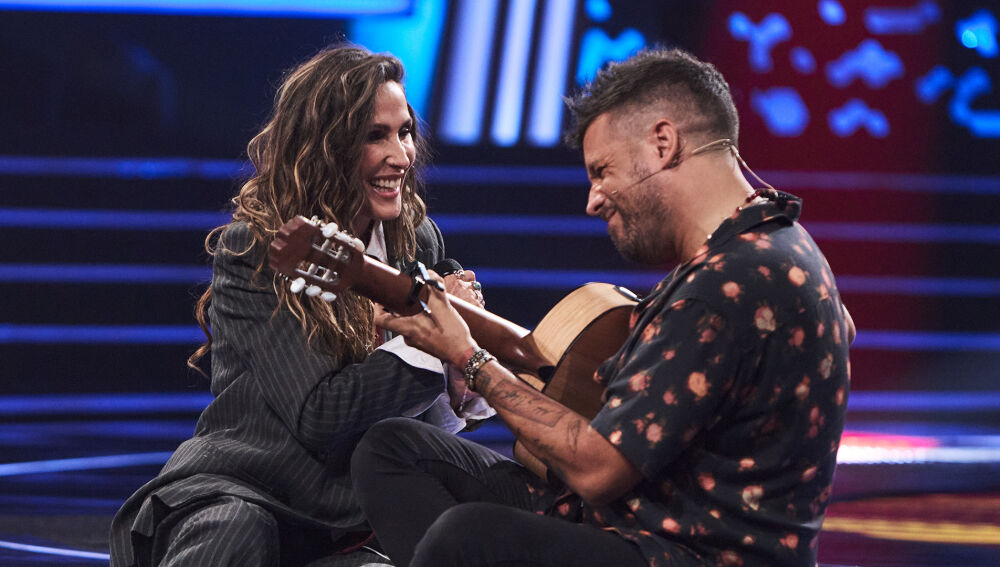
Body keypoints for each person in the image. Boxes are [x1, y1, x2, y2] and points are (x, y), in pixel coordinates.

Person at [350, 48, 854, 567]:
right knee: (394, 450)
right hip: (635, 520)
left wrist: (469, 359)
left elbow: (597, 471)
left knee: (468, 537)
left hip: (685, 550)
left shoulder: (723, 287)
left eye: (602, 171)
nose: (592, 199)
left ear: (663, 143)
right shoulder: (779, 244)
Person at [109, 44, 489, 567]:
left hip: (353, 518)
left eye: (404, 132)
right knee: (235, 534)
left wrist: (464, 370)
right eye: (374, 135)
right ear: (326, 147)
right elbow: (321, 415)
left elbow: (419, 407)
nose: (401, 156)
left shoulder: (416, 242)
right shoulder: (257, 247)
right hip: (246, 488)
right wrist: (433, 350)